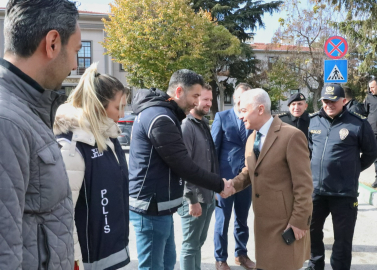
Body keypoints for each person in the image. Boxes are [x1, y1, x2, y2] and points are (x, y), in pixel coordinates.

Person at [0, 1, 81, 269]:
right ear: (53, 43)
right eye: (77, 51)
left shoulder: (26, 109)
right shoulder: (7, 122)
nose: (75, 64)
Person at [128, 69, 233, 270]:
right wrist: (220, 184)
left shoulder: (165, 115)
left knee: (167, 263)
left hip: (161, 208)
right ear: (178, 91)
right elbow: (184, 166)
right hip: (150, 208)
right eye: (194, 96)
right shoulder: (161, 118)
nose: (197, 102)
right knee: (154, 266)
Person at [224, 88, 313, 270]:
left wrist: (299, 221)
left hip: (286, 223)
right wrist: (232, 185)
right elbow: (250, 172)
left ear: (260, 109)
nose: (240, 116)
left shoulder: (291, 136)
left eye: (243, 111)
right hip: (262, 223)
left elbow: (304, 185)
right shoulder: (252, 138)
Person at [53, 63, 130, 270]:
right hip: (87, 260)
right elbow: (63, 213)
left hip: (110, 251)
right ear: (98, 105)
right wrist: (75, 260)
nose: (120, 115)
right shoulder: (71, 147)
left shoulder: (109, 136)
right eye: (117, 107)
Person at [307, 84, 377, 270]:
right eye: (326, 101)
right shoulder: (313, 121)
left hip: (344, 193)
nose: (329, 104)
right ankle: (315, 265)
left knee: (343, 239)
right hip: (316, 192)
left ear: (343, 101)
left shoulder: (358, 123)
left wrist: (352, 170)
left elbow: (371, 152)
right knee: (312, 233)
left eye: (334, 100)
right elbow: (308, 151)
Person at [211, 83, 256, 270]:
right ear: (235, 97)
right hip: (224, 181)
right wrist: (214, 181)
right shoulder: (222, 117)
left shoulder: (254, 119)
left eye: (246, 97)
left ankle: (241, 254)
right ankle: (220, 259)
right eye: (239, 96)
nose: (241, 100)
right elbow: (213, 150)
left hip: (246, 181)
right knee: (222, 221)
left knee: (242, 220)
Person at [178, 84, 218, 270]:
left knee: (198, 244)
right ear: (194, 100)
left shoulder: (202, 124)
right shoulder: (187, 126)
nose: (209, 103)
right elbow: (182, 166)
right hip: (194, 199)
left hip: (208, 196)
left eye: (210, 99)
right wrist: (191, 199)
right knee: (190, 246)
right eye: (205, 99)